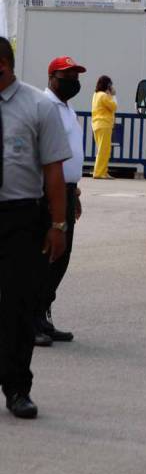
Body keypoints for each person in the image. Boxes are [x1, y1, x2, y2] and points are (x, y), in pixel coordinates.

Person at [0, 36, 70, 419]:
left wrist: (57, 224)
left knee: (17, 305)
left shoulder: (39, 107)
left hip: (20, 218)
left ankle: (17, 388)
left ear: (8, 66)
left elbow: (54, 171)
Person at [35, 56, 87, 347]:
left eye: (76, 76)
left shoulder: (67, 108)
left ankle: (43, 315)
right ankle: (30, 321)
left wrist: (75, 193)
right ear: (52, 77)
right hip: (47, 192)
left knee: (61, 259)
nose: (74, 82)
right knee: (44, 257)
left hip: (66, 190)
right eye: (68, 76)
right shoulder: (44, 107)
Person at [91, 75, 117, 180]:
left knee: (103, 149)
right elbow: (114, 106)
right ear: (108, 85)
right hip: (104, 124)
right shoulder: (104, 96)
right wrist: (113, 95)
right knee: (104, 150)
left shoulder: (96, 95)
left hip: (97, 124)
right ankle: (99, 172)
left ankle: (103, 171)